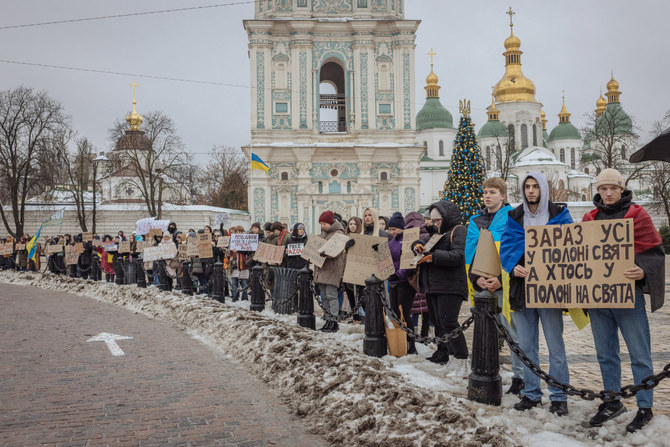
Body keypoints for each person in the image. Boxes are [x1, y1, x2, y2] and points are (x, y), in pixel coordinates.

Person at [582, 169, 665, 433]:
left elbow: (654, 251)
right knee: (605, 353)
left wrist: (641, 269)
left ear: (622, 189)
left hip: (628, 297)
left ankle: (644, 406)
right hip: (598, 298)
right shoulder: (589, 218)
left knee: (639, 353)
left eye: (613, 188)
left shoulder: (637, 215)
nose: (608, 193)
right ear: (598, 190)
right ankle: (611, 400)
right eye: (603, 188)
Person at [500, 172, 577, 416]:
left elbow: (573, 246)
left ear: (543, 188)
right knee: (527, 345)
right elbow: (507, 247)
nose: (531, 191)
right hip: (522, 289)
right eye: (527, 187)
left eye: (535, 186)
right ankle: (531, 393)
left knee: (556, 346)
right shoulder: (515, 217)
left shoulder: (559, 215)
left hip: (550, 290)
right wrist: (514, 266)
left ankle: (558, 395)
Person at [465, 177, 523, 396]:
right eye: (486, 192)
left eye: (493, 192)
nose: (488, 196)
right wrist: (476, 278)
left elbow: (515, 250)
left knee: (512, 333)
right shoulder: (475, 221)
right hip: (482, 286)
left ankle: (520, 377)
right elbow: (470, 253)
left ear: (503, 196)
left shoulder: (512, 217)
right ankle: (488, 373)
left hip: (504, 284)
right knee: (487, 333)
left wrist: (500, 277)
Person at [413, 200, 469, 376]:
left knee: (450, 322)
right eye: (433, 220)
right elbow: (422, 241)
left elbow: (458, 255)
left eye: (438, 220)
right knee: (440, 323)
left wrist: (432, 256)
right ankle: (451, 358)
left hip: (450, 285)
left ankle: (462, 360)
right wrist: (416, 246)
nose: (435, 223)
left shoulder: (458, 231)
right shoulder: (438, 234)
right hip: (435, 285)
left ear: (446, 217)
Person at [387, 212, 417, 354]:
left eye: (394, 229)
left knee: (404, 313)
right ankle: (399, 342)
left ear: (401, 228)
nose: (392, 232)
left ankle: (411, 344)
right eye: (390, 229)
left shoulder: (407, 240)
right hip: (393, 281)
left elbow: (408, 261)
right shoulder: (391, 241)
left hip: (404, 281)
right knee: (394, 312)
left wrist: (397, 274)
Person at [313, 211, 346, 333]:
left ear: (330, 222)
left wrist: (323, 252)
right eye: (321, 223)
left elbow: (336, 251)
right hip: (322, 269)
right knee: (325, 296)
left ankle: (333, 321)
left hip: (332, 269)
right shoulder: (324, 233)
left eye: (324, 223)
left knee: (331, 296)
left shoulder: (338, 233)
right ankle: (327, 319)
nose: (322, 226)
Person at [405, 211, 431, 337]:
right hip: (426, 274)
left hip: (412, 275)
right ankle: (426, 333)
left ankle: (413, 331)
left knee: (413, 307)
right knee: (427, 308)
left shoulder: (407, 235)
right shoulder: (428, 234)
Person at [343, 217, 363, 322]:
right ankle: (355, 318)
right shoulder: (345, 238)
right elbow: (341, 255)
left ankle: (362, 317)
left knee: (360, 296)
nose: (352, 226)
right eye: (350, 224)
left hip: (359, 270)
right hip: (347, 269)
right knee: (351, 296)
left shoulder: (362, 237)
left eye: (355, 224)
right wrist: (346, 248)